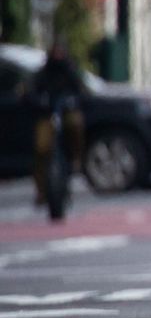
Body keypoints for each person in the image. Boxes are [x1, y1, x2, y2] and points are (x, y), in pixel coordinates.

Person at [28, 40, 88, 206]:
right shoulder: (43, 73)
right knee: (42, 147)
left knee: (76, 124)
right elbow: (30, 91)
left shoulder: (70, 71)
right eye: (55, 52)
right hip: (47, 115)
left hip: (67, 112)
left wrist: (74, 100)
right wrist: (38, 101)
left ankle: (76, 158)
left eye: (60, 52)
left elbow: (82, 90)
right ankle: (41, 191)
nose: (58, 55)